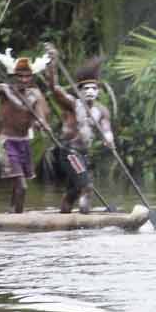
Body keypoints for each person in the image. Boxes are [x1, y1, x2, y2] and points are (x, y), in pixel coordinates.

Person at [43, 45, 115, 214]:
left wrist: (109, 139)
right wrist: (53, 64)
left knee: (73, 192)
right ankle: (85, 222)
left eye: (94, 88)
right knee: (87, 186)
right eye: (86, 88)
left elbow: (106, 128)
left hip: (83, 154)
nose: (90, 92)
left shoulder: (102, 110)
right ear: (79, 91)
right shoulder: (72, 104)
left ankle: (65, 220)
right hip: (69, 151)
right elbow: (54, 88)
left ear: (98, 91)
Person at [0, 45, 51, 213]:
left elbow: (39, 115)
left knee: (18, 187)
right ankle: (18, 219)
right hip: (8, 142)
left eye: (27, 76)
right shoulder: (5, 89)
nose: (23, 80)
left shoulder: (34, 94)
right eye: (20, 76)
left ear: (32, 77)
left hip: (24, 142)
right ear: (14, 76)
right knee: (22, 186)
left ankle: (13, 214)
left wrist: (41, 124)